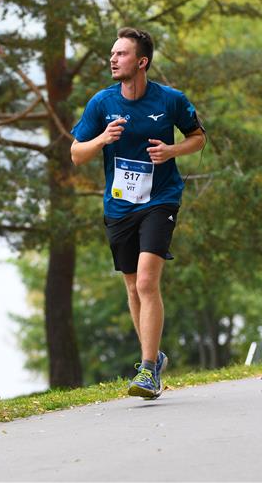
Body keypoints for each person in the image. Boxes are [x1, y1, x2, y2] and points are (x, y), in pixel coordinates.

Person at [70, 27, 206, 400]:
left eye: (122, 54)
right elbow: (76, 153)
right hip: (119, 205)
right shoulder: (102, 103)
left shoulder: (171, 100)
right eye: (112, 53)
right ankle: (154, 355)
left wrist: (171, 151)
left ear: (141, 61)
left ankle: (147, 371)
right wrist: (102, 139)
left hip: (160, 199)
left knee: (146, 281)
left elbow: (198, 138)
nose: (113, 59)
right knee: (132, 286)